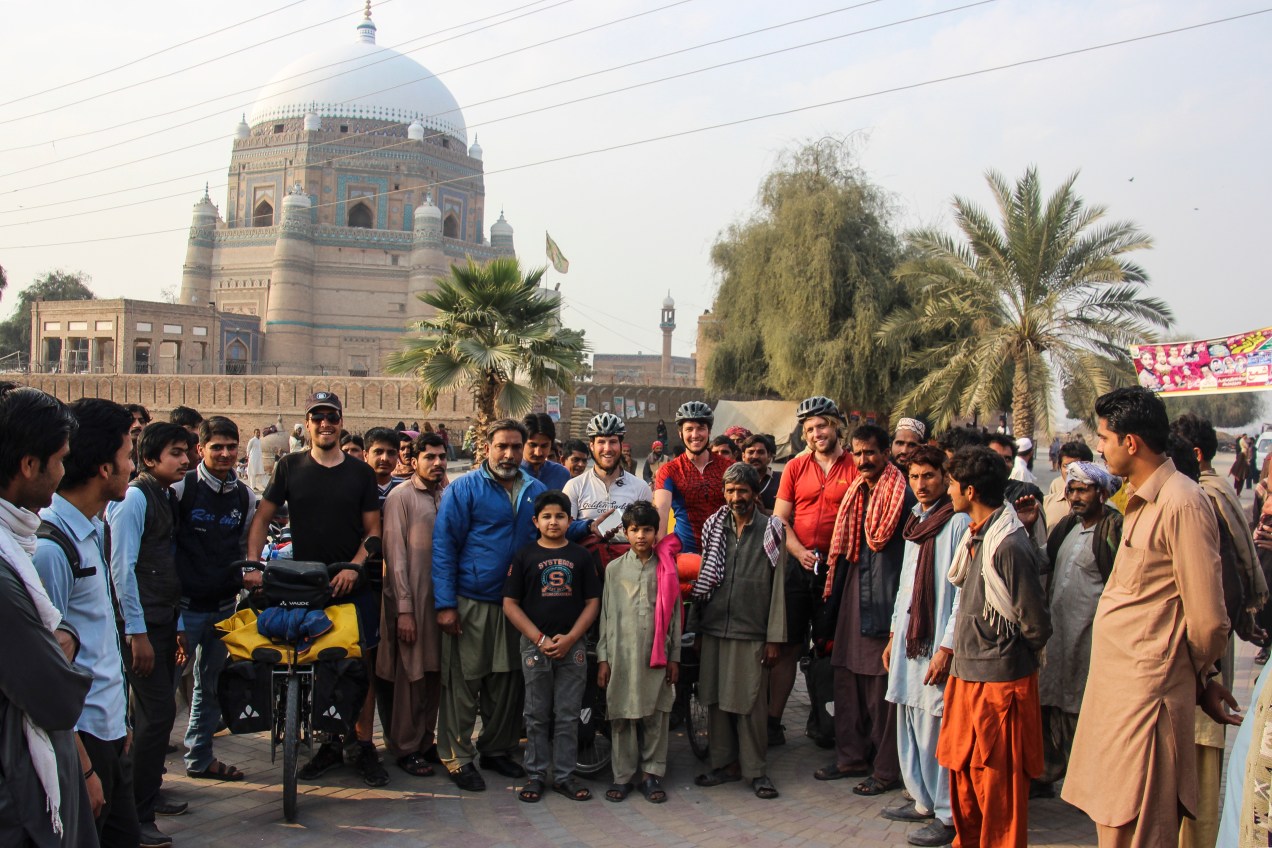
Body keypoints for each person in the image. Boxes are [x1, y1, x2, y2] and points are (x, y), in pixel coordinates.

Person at [1063, 387, 1233, 847]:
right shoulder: (1139, 499)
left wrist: (1195, 673)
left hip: (1147, 700)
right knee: (1114, 824)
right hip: (1120, 696)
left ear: (1131, 442)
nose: (1100, 447)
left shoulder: (1183, 502)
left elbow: (1208, 621)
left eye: (1104, 437)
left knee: (1141, 828)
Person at [246, 391, 386, 786]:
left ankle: (362, 744)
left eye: (332, 417)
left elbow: (373, 531)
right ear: (306, 424)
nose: (325, 424)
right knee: (317, 662)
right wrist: (255, 565)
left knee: (361, 667)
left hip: (352, 583)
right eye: (317, 417)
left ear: (341, 422)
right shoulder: (290, 467)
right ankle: (328, 742)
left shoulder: (359, 472)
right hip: (307, 584)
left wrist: (355, 568)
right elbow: (262, 519)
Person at [36, 398, 139, 847]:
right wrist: (85, 768)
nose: (132, 467)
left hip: (108, 731)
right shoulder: (51, 549)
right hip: (83, 744)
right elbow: (46, 676)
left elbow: (99, 641)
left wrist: (121, 726)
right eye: (128, 456)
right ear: (103, 468)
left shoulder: (94, 528)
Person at [937, 446, 1052, 848]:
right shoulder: (980, 536)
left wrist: (1006, 651)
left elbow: (1036, 623)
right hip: (968, 678)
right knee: (965, 781)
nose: (947, 491)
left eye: (951, 484)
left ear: (969, 490)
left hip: (1000, 686)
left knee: (999, 791)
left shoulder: (1007, 544)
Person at [0, 386, 96, 848]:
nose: (62, 470)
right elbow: (55, 693)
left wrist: (65, 636)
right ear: (28, 465)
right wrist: (63, 644)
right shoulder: (5, 570)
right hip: (18, 794)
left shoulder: (16, 547)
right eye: (59, 459)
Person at [432, 419, 546, 791]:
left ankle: (497, 749)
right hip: (472, 601)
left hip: (514, 606)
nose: (509, 454)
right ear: (487, 447)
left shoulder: (536, 490)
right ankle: (457, 756)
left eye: (516, 447)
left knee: (506, 684)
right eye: (502, 447)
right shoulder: (464, 489)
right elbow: (445, 546)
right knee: (464, 683)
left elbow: (549, 530)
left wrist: (583, 528)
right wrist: (446, 604)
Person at [815, 423, 915, 796]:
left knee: (880, 687)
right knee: (846, 679)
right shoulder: (858, 491)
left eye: (870, 452)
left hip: (884, 600)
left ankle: (887, 769)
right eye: (857, 453)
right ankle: (851, 757)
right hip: (853, 594)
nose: (863, 460)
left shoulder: (901, 494)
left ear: (886, 453)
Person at [879, 446, 969, 848]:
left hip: (935, 641)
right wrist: (895, 632)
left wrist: (947, 648)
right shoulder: (916, 521)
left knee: (935, 724)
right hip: (909, 637)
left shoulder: (957, 523)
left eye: (929, 476)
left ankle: (948, 814)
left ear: (945, 478)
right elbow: (905, 585)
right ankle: (921, 800)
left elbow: (962, 592)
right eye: (914, 477)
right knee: (908, 717)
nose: (921, 484)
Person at [106, 421, 191, 837]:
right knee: (156, 715)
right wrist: (135, 633)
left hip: (159, 619)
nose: (185, 460)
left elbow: (163, 564)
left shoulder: (161, 495)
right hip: (139, 626)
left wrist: (173, 624)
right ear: (150, 458)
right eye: (176, 453)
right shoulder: (135, 498)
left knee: (155, 716)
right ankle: (136, 816)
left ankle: (147, 794)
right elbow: (122, 568)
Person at [690, 463, 786, 800]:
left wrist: (773, 637)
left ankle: (755, 771)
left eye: (742, 491)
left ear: (754, 493)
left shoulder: (771, 530)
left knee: (750, 704)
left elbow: (777, 591)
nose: (735, 497)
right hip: (715, 627)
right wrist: (697, 630)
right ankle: (724, 764)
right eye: (730, 491)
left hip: (752, 631)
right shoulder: (715, 526)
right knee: (716, 700)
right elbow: (703, 582)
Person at [502, 491, 601, 803]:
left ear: (570, 521)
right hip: (536, 648)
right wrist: (539, 638)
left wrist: (572, 637)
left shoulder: (581, 557)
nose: (553, 521)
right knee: (535, 712)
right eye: (546, 516)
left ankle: (564, 775)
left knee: (568, 714)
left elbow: (592, 602)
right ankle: (535, 774)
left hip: (573, 647)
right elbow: (510, 604)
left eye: (560, 516)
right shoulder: (524, 556)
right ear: (536, 521)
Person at [771, 396, 858, 748]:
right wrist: (800, 552)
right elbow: (780, 519)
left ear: (836, 425)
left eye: (821, 426)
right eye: (808, 429)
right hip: (798, 565)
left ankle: (824, 721)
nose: (816, 434)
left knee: (826, 649)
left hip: (837, 569)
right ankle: (773, 723)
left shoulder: (854, 466)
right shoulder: (795, 467)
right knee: (788, 646)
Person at [1033, 462, 1122, 799]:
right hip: (1058, 636)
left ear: (1102, 492)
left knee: (1083, 710)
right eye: (1071, 490)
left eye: (1083, 490)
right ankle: (1046, 775)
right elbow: (1043, 561)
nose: (1074, 497)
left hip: (1091, 640)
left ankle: (1090, 786)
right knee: (1051, 703)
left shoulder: (1113, 529)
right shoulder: (1067, 526)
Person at [174, 417, 255, 786]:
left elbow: (242, 545)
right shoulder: (181, 491)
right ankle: (141, 773)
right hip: (185, 609)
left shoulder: (243, 495)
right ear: (201, 449)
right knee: (159, 693)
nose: (225, 454)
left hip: (222, 606)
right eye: (217, 447)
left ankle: (200, 756)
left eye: (231, 447)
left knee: (209, 687)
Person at [596, 501, 681, 804]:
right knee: (621, 715)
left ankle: (651, 774)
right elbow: (606, 615)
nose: (641, 536)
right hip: (621, 654)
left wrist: (674, 657)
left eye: (647, 529)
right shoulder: (614, 570)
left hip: (655, 656)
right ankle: (622, 776)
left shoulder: (667, 567)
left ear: (657, 532)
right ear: (626, 532)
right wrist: (603, 659)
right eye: (635, 530)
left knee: (656, 715)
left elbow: (674, 617)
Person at [378, 432, 448, 776]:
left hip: (441, 600)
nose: (437, 463)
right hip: (412, 601)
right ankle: (405, 747)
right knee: (411, 673)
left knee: (434, 672)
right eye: (429, 457)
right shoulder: (400, 498)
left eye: (441, 457)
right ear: (414, 461)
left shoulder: (446, 495)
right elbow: (395, 556)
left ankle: (426, 741)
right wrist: (404, 609)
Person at [562, 414, 652, 565]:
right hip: (587, 569)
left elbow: (650, 533)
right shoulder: (574, 486)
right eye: (601, 442)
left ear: (621, 445)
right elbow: (562, 530)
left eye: (613, 442)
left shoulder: (640, 488)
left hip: (629, 569)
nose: (607, 448)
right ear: (592, 446)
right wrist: (590, 526)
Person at [654, 401, 729, 553]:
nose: (695, 435)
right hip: (685, 556)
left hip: (725, 553)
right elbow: (661, 518)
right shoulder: (669, 471)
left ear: (709, 431)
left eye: (701, 428)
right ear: (680, 433)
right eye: (689, 429)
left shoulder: (728, 467)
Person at [1042, 441, 1095, 528]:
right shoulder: (1046, 504)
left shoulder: (1099, 506)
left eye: (1076, 466)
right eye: (1066, 466)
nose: (1070, 471)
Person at [522, 413, 571, 490]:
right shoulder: (511, 474)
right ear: (522, 443)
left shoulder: (561, 474)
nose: (538, 453)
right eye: (532, 445)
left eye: (544, 446)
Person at [741, 434, 780, 512]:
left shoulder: (781, 479)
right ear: (743, 456)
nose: (755, 456)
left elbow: (791, 515)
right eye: (751, 452)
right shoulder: (736, 480)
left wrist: (764, 512)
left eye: (760, 452)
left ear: (769, 455)